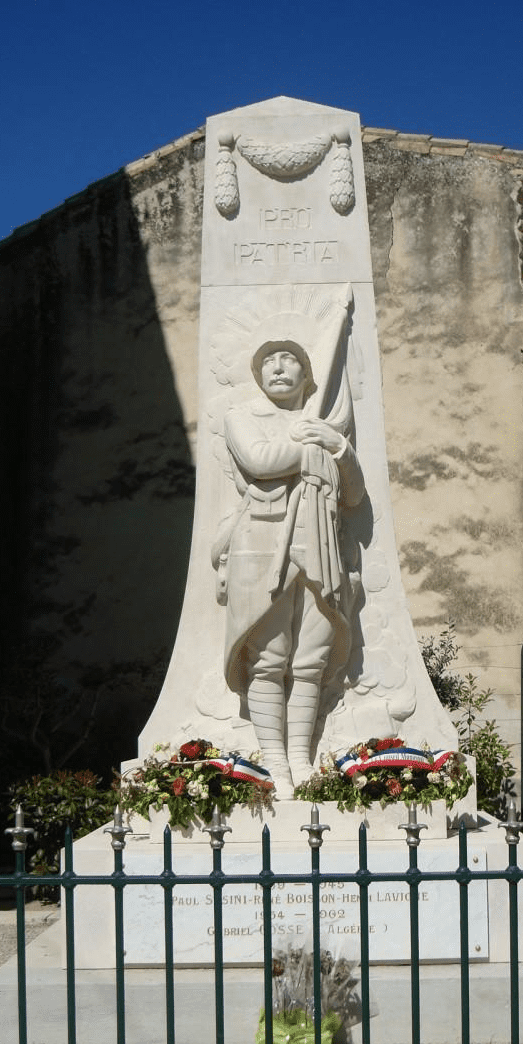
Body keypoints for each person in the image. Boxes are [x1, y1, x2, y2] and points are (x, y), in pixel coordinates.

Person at [213, 335, 364, 796]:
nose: (278, 368)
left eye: (289, 359)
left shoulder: (323, 427)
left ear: (306, 372)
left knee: (311, 658)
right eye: (269, 361)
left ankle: (300, 755)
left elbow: (353, 493)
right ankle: (274, 760)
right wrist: (311, 445)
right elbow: (260, 460)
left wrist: (338, 446)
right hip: (263, 541)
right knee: (267, 657)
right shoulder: (242, 417)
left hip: (320, 541)